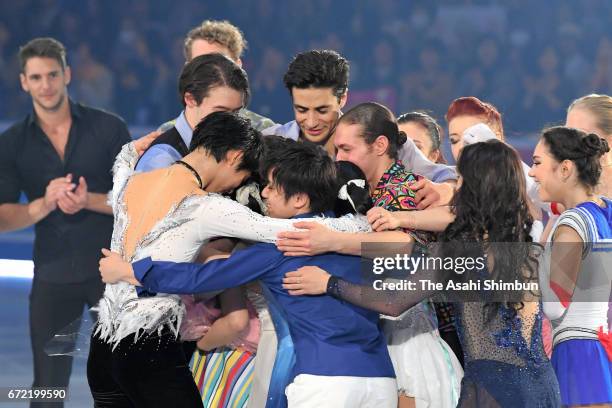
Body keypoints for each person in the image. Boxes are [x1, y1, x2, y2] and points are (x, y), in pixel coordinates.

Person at [99, 140, 398, 408]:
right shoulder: (359, 236)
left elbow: (201, 278)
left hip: (326, 382)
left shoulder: (282, 244)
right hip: (382, 380)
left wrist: (131, 270)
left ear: (299, 200)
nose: (263, 193)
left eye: (271, 186)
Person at [283, 140, 562, 407]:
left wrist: (330, 283)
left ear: (476, 190)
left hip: (492, 389)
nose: (456, 189)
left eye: (462, 181)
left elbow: (392, 302)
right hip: (541, 385)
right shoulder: (529, 250)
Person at [0, 37, 131, 408]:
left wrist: (87, 200)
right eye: (37, 77)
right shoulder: (12, 143)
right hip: (53, 273)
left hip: (110, 270)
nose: (46, 85)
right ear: (24, 81)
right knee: (47, 385)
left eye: (53, 75)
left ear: (67, 75)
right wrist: (43, 204)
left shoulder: (108, 128)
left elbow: (137, 201)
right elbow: (2, 217)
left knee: (119, 378)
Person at [263, 49, 457, 207]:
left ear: (343, 98)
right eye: (301, 110)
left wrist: (446, 190)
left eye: (322, 110)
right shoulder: (272, 140)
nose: (311, 122)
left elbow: (443, 175)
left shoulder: (381, 139)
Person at [529, 126, 612, 407]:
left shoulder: (572, 224)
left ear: (565, 169)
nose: (531, 171)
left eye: (538, 163)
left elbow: (554, 305)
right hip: (596, 352)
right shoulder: (602, 212)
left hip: (577, 356)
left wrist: (533, 255)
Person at [135, 53, 249, 172]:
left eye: (236, 112)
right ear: (190, 99)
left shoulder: (238, 148)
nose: (231, 122)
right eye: (221, 111)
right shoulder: (161, 161)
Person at [158, 19, 274, 133]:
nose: (211, 72)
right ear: (187, 70)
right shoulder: (166, 135)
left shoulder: (264, 131)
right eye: (201, 65)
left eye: (220, 62)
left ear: (238, 66)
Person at [566, 94, 612, 197]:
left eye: (582, 134)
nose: (570, 141)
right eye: (567, 132)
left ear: (610, 140)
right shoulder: (562, 180)